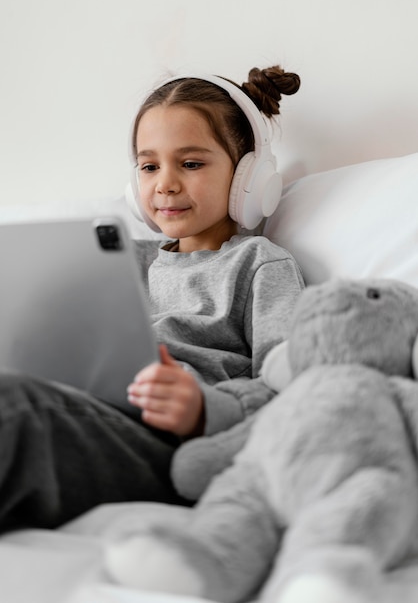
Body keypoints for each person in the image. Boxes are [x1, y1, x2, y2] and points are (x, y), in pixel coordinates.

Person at [0, 65, 304, 532]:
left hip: (173, 450)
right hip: (85, 415)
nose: (164, 183)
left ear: (248, 178)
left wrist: (204, 410)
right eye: (149, 166)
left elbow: (293, 390)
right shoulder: (115, 259)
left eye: (191, 163)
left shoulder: (258, 264)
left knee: (13, 408)